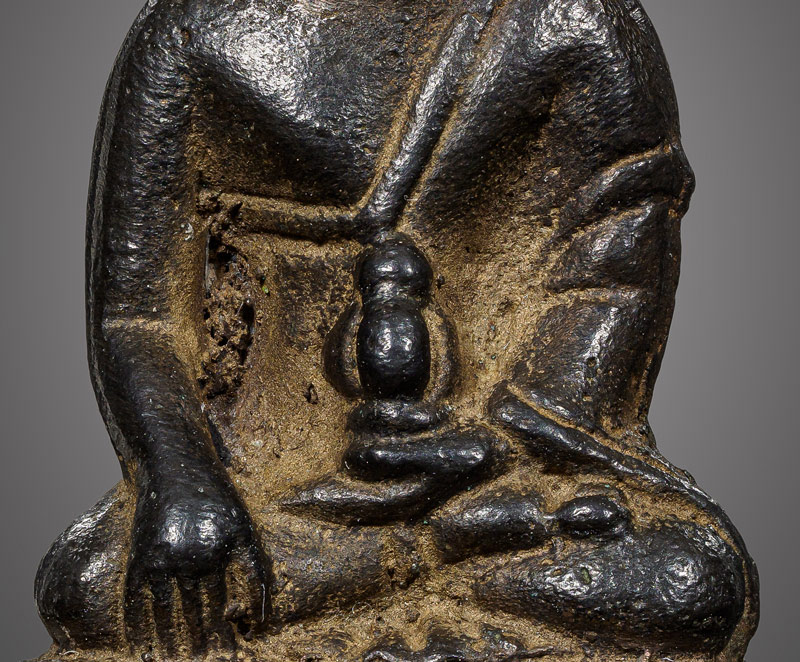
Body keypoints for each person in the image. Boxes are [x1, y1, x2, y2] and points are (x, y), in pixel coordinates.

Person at [34, 1, 758, 660]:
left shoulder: (573, 26)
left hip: (495, 476)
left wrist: (494, 445)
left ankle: (397, 571)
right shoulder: (193, 35)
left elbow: (610, 276)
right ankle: (432, 557)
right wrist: (182, 478)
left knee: (688, 580)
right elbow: (140, 317)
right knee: (92, 584)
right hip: (289, 500)